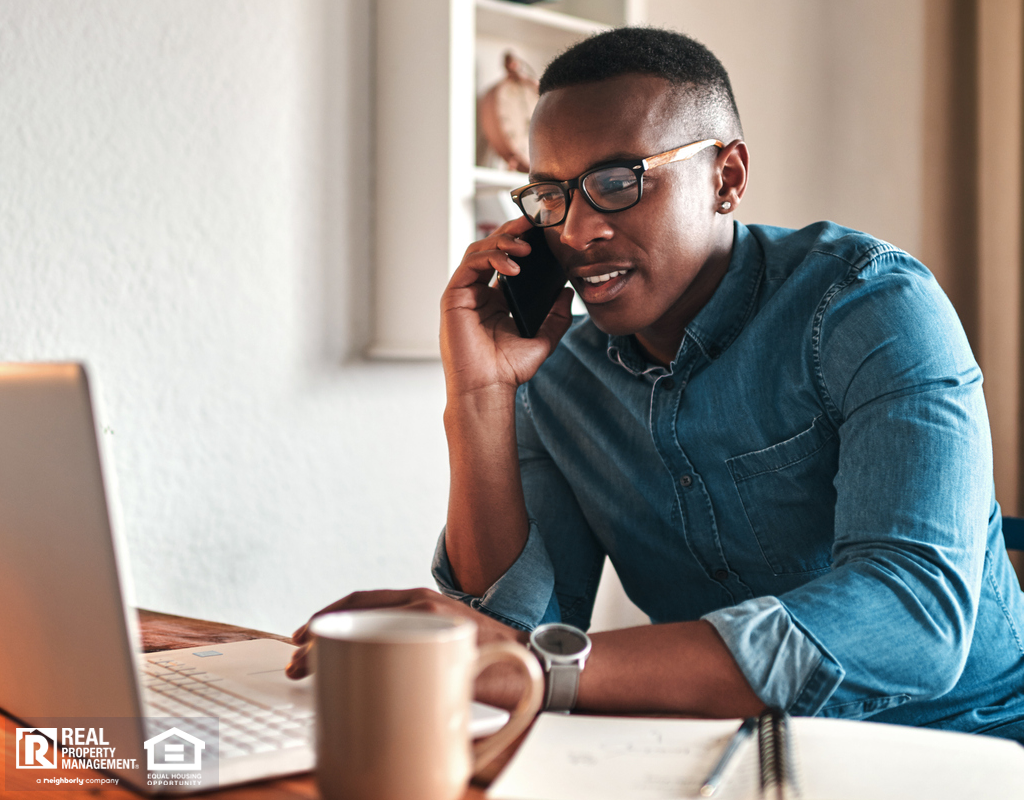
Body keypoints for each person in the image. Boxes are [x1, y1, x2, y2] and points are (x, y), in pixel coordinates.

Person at [288, 27, 1024, 738]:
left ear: (726, 178)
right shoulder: (560, 379)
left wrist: (537, 669)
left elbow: (915, 618)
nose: (575, 232)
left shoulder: (869, 305)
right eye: (551, 195)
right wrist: (479, 401)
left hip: (969, 739)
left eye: (616, 182)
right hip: (725, 748)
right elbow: (515, 636)